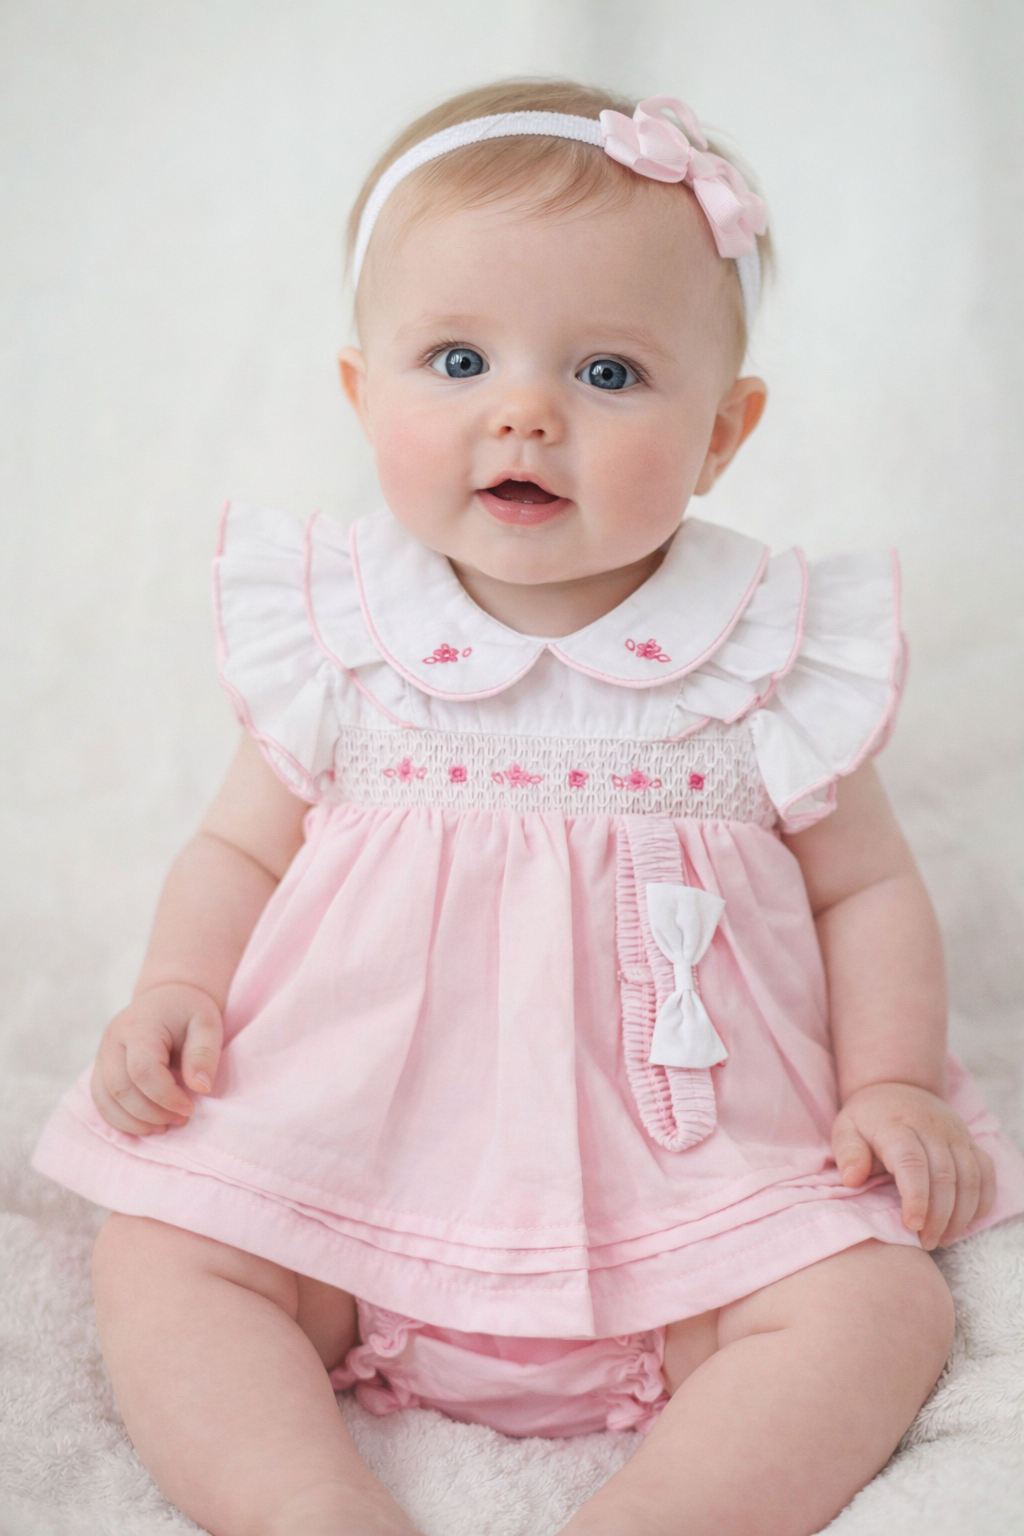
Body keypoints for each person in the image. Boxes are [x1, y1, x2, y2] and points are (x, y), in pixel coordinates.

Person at [33, 78, 1024, 1536]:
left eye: (609, 373)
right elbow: (239, 845)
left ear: (724, 431)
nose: (524, 411)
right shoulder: (343, 636)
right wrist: (176, 988)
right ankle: (305, 1506)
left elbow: (862, 887)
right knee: (164, 1256)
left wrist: (887, 1081)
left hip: (695, 1204)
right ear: (363, 395)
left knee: (878, 1308)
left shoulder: (763, 652)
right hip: (348, 1176)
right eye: (456, 358)